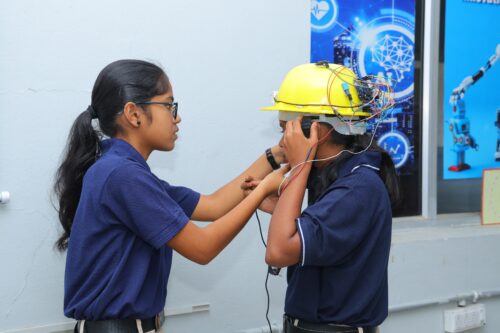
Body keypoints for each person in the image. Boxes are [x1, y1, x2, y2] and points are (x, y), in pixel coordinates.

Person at [53, 59, 289, 333]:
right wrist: (262, 189)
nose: (176, 117)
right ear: (134, 114)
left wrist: (275, 156)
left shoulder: (122, 169)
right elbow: (203, 248)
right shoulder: (122, 176)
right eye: (168, 105)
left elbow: (213, 205)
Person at [243, 62, 400, 333]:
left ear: (318, 130)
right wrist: (282, 207)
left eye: (286, 131)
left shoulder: (358, 188)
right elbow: (323, 234)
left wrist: (299, 166)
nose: (282, 144)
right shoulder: (334, 173)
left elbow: (278, 252)